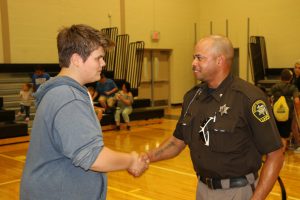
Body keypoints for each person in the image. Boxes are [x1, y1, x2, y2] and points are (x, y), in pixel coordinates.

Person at [142, 35, 284, 200]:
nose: (193, 63)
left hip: (237, 192)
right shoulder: (193, 97)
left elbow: (276, 154)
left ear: (219, 60)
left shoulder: (249, 98)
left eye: (199, 58)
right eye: (194, 58)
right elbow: (176, 142)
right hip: (202, 190)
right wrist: (147, 157)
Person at [20, 24, 148, 200]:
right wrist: (131, 160)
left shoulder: (60, 93)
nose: (103, 63)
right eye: (98, 58)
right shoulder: (68, 98)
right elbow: (94, 158)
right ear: (76, 59)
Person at [270, 69, 299, 152]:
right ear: (291, 78)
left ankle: (279, 149)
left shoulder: (275, 87)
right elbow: (296, 101)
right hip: (288, 114)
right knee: (287, 133)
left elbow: (267, 98)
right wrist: (297, 112)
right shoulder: (293, 88)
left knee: (278, 132)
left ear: (280, 77)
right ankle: (282, 151)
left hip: (276, 113)